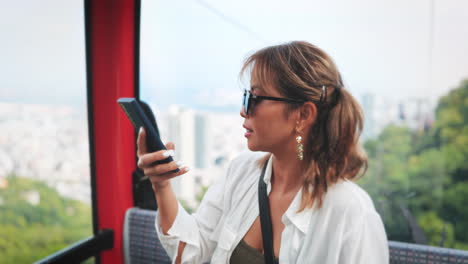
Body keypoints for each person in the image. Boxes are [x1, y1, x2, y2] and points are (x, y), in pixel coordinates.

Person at [137, 41, 389, 264]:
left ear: (303, 115)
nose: (243, 110)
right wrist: (161, 186)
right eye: (246, 96)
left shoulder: (350, 212)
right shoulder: (242, 172)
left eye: (255, 98)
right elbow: (192, 254)